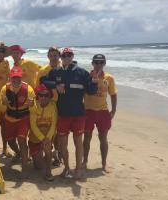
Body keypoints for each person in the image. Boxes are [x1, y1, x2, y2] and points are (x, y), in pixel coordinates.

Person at [41, 47, 98, 179]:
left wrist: (94, 82)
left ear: (72, 56)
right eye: (64, 55)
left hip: (78, 114)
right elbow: (43, 81)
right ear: (61, 57)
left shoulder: (82, 73)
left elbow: (91, 91)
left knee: (78, 142)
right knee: (63, 144)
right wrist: (56, 85)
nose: (66, 57)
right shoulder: (56, 72)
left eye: (69, 55)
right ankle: (66, 168)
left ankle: (77, 169)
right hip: (62, 114)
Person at [82, 54, 117, 173]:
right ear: (92, 63)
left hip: (103, 112)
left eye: (101, 62)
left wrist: (114, 110)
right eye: (96, 62)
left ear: (104, 64)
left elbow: (113, 94)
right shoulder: (86, 77)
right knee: (87, 137)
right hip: (88, 111)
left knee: (103, 138)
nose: (98, 64)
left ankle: (104, 164)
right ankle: (84, 162)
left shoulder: (109, 78)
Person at [1, 66, 35, 177]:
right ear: (10, 78)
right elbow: (2, 107)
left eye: (18, 78)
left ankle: (24, 168)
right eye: (14, 78)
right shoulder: (4, 89)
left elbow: (34, 108)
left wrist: (32, 104)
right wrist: (4, 103)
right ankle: (19, 153)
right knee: (10, 141)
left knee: (22, 140)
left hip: (23, 118)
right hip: (9, 118)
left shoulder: (28, 89)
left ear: (21, 77)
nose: (16, 80)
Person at [36, 46, 62, 166]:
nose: (53, 58)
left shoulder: (63, 69)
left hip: (61, 103)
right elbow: (38, 88)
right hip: (48, 103)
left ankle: (56, 153)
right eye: (51, 55)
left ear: (59, 56)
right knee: (47, 127)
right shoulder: (43, 71)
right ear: (48, 57)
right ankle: (48, 151)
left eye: (55, 55)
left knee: (58, 131)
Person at [29, 84, 58, 181]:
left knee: (47, 147)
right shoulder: (34, 106)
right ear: (38, 96)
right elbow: (33, 125)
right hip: (35, 138)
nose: (43, 97)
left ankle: (48, 172)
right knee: (38, 166)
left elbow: (54, 124)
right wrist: (42, 138)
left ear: (50, 96)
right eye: (41, 95)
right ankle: (52, 155)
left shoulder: (53, 106)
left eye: (46, 95)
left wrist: (47, 138)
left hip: (47, 137)